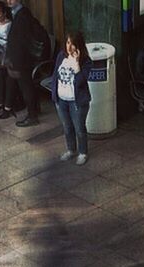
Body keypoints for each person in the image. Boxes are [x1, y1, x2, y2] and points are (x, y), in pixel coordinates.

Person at [52, 30, 92, 166]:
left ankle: (82, 152)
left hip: (77, 102)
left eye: (73, 44)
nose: (69, 47)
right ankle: (71, 149)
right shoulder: (61, 56)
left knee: (79, 128)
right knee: (67, 127)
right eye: (68, 42)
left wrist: (76, 66)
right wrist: (55, 96)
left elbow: (81, 81)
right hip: (62, 100)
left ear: (79, 46)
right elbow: (55, 76)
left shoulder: (85, 62)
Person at [4, 0, 42, 127]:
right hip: (21, 59)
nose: (9, 1)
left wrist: (15, 62)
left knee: (27, 88)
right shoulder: (17, 13)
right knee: (26, 87)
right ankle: (34, 110)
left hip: (22, 61)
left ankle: (32, 116)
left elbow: (20, 42)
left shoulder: (23, 16)